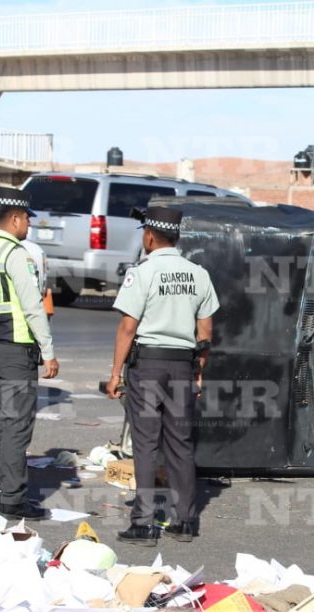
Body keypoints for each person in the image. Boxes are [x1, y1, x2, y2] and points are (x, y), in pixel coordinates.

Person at [108, 206, 218, 546]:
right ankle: (184, 521)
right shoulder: (198, 274)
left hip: (148, 367)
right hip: (182, 367)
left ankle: (143, 524)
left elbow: (128, 328)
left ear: (150, 236)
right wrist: (198, 373)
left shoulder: (142, 272)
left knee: (145, 443)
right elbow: (206, 332)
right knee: (180, 444)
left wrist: (115, 374)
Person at [0, 186, 60, 520]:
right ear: (16, 218)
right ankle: (13, 499)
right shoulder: (15, 254)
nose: (29, 227)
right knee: (17, 425)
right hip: (14, 351)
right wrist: (48, 352)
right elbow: (33, 306)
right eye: (27, 220)